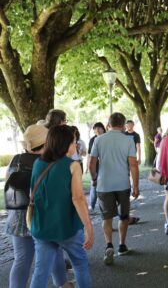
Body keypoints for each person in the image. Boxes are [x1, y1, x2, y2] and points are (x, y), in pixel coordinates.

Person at [4, 125, 71, 288]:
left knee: (21, 260)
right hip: (43, 218)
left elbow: (8, 184)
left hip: (18, 217)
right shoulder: (51, 162)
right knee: (54, 252)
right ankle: (62, 284)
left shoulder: (15, 160)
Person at [29, 125, 94, 288]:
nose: (75, 146)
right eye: (73, 142)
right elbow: (78, 198)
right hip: (67, 227)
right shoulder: (73, 165)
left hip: (42, 227)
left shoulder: (38, 163)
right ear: (64, 144)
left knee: (41, 272)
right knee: (80, 265)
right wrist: (88, 227)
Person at [89, 113, 140, 265]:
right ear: (124, 125)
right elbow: (133, 165)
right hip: (123, 184)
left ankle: (108, 245)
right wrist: (136, 186)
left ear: (108, 124)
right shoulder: (129, 140)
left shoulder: (98, 139)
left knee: (107, 217)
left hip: (104, 185)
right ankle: (122, 245)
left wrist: (94, 179)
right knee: (124, 216)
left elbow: (91, 163)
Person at [87, 122, 106, 212]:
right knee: (94, 185)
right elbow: (89, 154)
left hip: (106, 165)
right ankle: (92, 205)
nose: (97, 130)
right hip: (96, 165)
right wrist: (88, 165)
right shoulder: (92, 140)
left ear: (103, 128)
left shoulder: (107, 138)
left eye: (99, 128)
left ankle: (107, 206)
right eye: (95, 128)